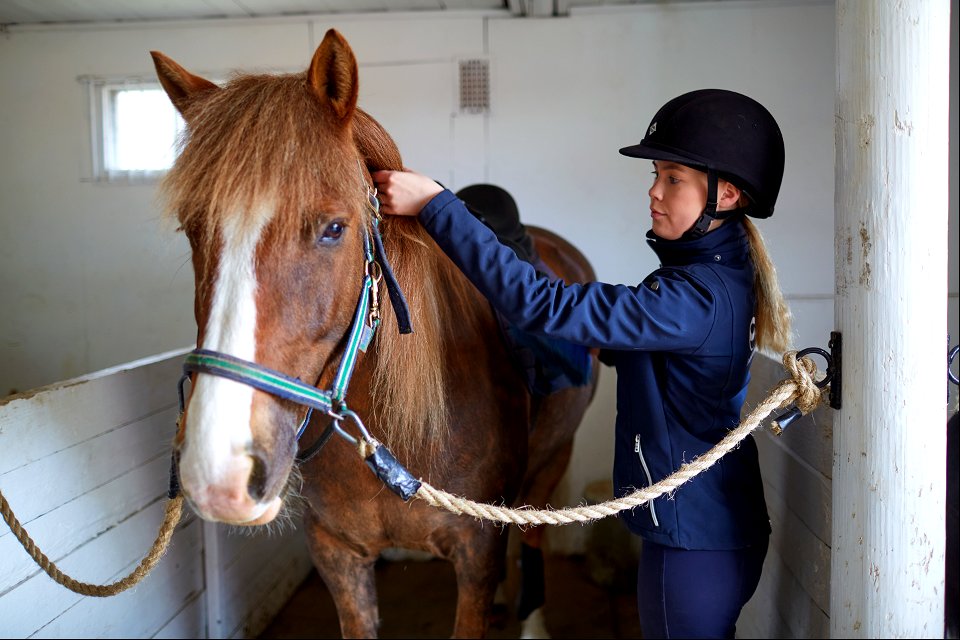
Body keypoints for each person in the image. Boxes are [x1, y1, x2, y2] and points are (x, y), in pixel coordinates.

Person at [373, 88, 792, 639]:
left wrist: (436, 205)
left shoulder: (694, 297)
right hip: (707, 525)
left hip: (693, 542)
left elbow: (539, 303)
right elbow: (657, 355)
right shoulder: (711, 277)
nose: (654, 192)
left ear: (728, 194)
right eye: (657, 175)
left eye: (672, 178)